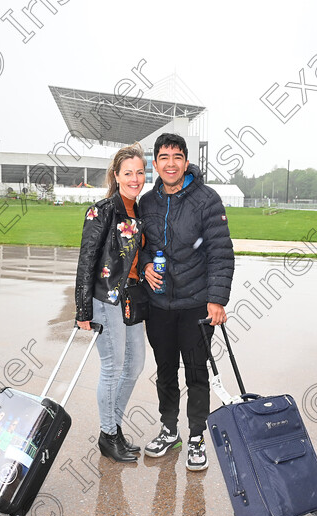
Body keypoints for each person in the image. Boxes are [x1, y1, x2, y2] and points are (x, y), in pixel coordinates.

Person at [139, 132, 234, 471]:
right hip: (159, 305)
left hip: (196, 305)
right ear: (155, 163)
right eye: (164, 157)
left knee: (196, 373)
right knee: (165, 371)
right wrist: (148, 264)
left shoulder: (207, 200)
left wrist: (217, 299)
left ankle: (196, 437)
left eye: (177, 157)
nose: (171, 163)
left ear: (186, 162)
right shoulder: (147, 203)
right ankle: (169, 429)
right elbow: (143, 245)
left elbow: (221, 253)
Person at [75, 143, 148, 463]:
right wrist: (82, 309)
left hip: (132, 296)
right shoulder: (102, 210)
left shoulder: (140, 210)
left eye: (140, 172)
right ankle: (107, 434)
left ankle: (114, 428)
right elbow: (86, 259)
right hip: (105, 297)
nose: (135, 178)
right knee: (113, 366)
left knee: (135, 365)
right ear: (116, 176)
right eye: (128, 173)